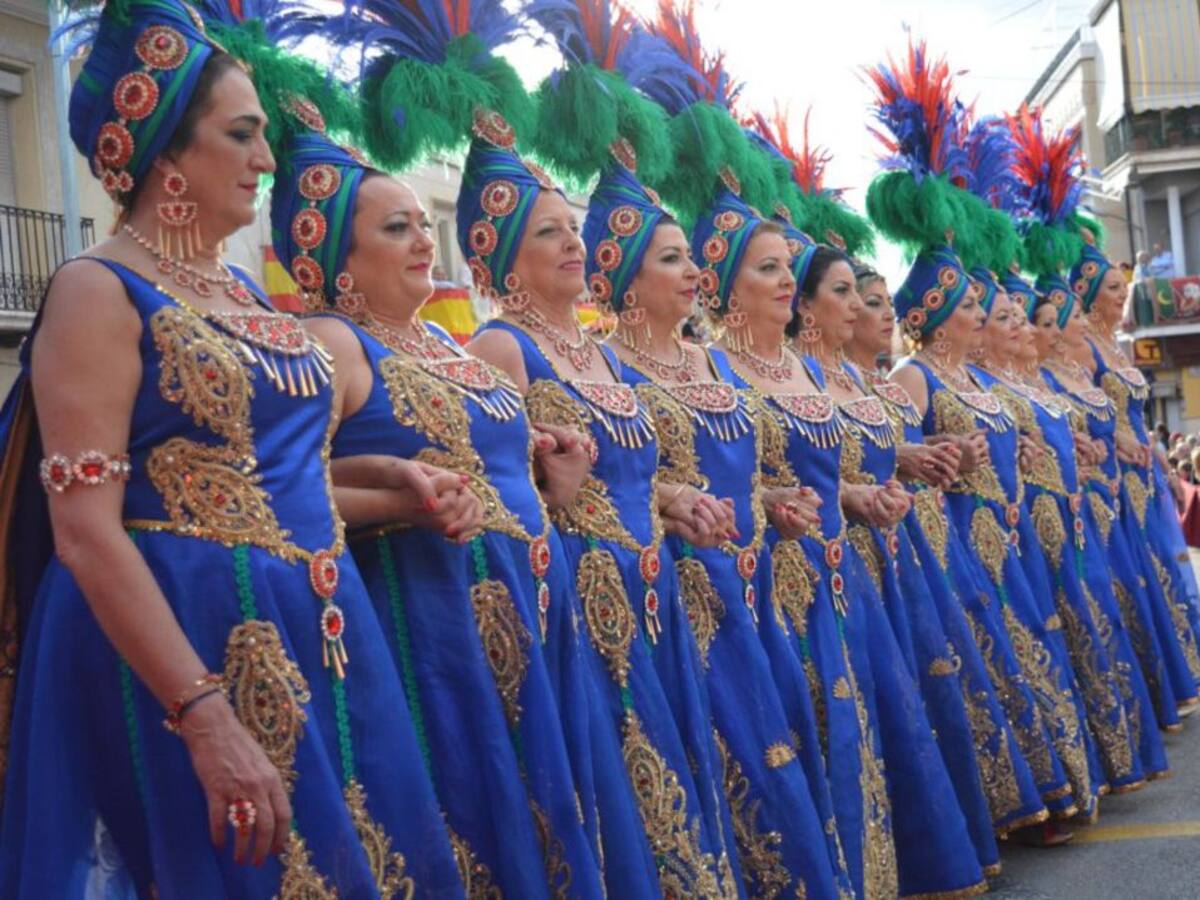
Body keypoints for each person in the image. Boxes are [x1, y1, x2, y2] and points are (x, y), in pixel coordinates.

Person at [0, 1, 465, 893]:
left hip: (321, 630)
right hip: (192, 641)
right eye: (242, 134)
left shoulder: (246, 293)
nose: (266, 160)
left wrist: (389, 476)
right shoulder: (98, 290)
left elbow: (269, 474)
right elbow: (85, 532)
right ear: (167, 151)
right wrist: (202, 712)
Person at [270, 118, 607, 895]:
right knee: (469, 813)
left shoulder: (450, 348)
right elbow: (282, 489)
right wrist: (399, 501)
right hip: (427, 620)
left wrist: (552, 478)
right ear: (337, 254)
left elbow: (497, 478)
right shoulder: (332, 342)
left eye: (424, 224)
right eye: (397, 228)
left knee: (544, 813)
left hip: (530, 611)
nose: (424, 240)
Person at [465, 117, 745, 897]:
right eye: (546, 232)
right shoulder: (499, 349)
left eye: (571, 228)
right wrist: (553, 494)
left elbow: (624, 476)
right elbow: (498, 491)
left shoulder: (597, 353)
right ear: (503, 255)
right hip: (578, 601)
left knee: (671, 770)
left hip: (650, 586)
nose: (570, 242)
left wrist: (677, 498)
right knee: (616, 786)